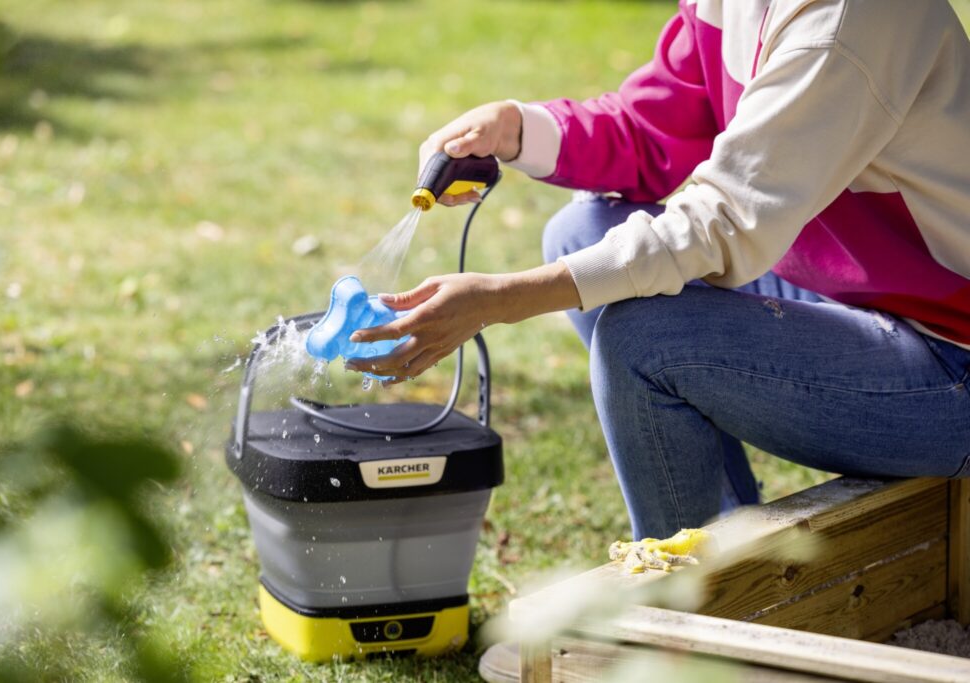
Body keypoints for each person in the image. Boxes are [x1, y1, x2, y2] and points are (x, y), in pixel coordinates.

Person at [347, 3, 970, 673]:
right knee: (580, 233)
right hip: (858, 298)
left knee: (645, 340)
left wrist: (501, 298)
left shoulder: (850, 22)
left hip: (948, 358)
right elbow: (655, 128)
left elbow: (723, 219)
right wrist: (514, 126)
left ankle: (683, 638)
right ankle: (741, 574)